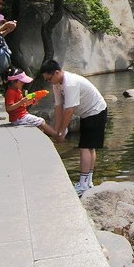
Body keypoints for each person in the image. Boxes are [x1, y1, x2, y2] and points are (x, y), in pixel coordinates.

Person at [40, 59, 107, 196]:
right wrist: (57, 130)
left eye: (49, 78)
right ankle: (87, 182)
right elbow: (58, 107)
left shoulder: (70, 84)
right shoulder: (57, 84)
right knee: (88, 147)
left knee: (85, 147)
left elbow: (69, 110)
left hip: (96, 111)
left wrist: (63, 130)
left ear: (57, 72)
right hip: (86, 113)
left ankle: (83, 184)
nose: (49, 82)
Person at [4, 68, 58, 137]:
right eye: (22, 82)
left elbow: (22, 105)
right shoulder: (11, 92)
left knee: (38, 125)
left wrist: (32, 102)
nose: (23, 84)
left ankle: (44, 136)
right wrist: (20, 102)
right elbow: (8, 108)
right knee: (41, 121)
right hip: (18, 118)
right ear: (14, 81)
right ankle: (56, 135)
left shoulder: (18, 90)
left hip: (21, 116)